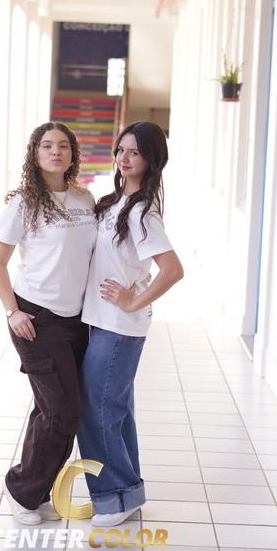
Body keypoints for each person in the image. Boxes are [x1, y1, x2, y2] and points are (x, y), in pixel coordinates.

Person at [0, 122, 97, 525]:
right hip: (35, 318)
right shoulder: (23, 203)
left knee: (49, 408)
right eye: (47, 145)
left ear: (72, 154)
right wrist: (12, 311)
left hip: (77, 319)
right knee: (63, 412)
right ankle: (23, 490)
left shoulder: (85, 199)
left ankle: (34, 492)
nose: (56, 152)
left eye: (63, 146)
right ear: (35, 154)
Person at [77, 120, 184, 527]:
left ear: (151, 159)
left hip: (120, 327)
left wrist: (132, 300)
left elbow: (172, 270)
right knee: (116, 411)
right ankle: (127, 494)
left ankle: (115, 499)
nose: (124, 158)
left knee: (96, 411)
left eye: (134, 152)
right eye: (121, 149)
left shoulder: (142, 213)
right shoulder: (116, 202)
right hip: (101, 321)